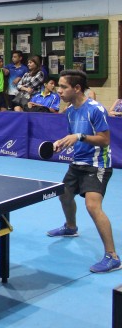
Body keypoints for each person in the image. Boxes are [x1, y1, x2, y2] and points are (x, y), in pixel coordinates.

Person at [47, 70, 119, 273]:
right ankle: (71, 227)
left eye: (63, 87)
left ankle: (112, 257)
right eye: (59, 86)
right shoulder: (70, 111)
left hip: (97, 165)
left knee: (92, 206)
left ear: (77, 88)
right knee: (64, 195)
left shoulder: (96, 109)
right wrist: (62, 142)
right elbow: (74, 136)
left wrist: (79, 136)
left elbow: (105, 140)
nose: (59, 90)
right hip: (77, 163)